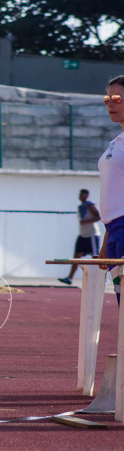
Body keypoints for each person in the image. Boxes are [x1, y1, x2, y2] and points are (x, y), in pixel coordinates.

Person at [98, 75, 124, 301]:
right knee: (121, 301)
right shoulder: (116, 143)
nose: (109, 104)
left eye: (116, 98)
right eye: (107, 98)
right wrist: (107, 241)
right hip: (114, 228)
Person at [59, 189, 101, 285]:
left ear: (87, 196)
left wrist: (86, 222)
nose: (81, 196)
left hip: (92, 236)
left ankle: (103, 278)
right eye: (80, 194)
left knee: (96, 257)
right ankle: (70, 278)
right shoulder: (81, 207)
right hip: (83, 235)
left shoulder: (90, 205)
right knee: (76, 256)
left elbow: (99, 216)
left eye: (83, 194)